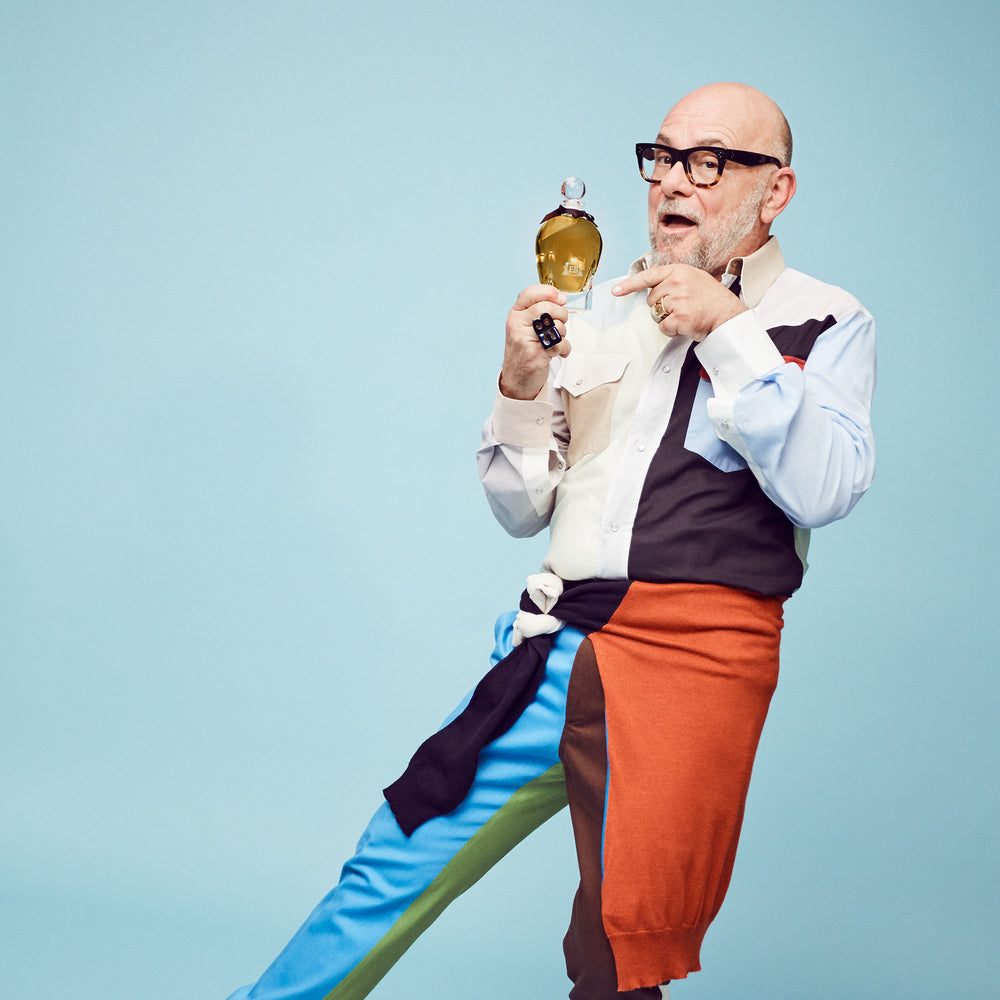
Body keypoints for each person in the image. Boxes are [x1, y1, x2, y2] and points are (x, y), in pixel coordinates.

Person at [226, 82, 875, 1000]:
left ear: (777, 191)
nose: (675, 183)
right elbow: (522, 508)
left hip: (694, 662)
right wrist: (522, 383)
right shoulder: (605, 312)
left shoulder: (824, 319)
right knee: (397, 853)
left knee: (619, 945)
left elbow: (827, 487)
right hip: (555, 641)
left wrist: (729, 333)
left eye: (710, 162)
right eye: (663, 158)